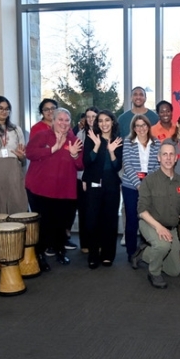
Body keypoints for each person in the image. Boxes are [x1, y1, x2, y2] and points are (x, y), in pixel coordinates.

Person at [25, 108, 83, 268]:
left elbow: (80, 165)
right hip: (40, 189)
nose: (63, 123)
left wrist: (74, 155)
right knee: (43, 224)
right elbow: (29, 153)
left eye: (67, 120)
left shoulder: (74, 139)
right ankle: (40, 255)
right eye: (60, 119)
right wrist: (52, 149)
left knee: (61, 223)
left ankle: (59, 251)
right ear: (53, 120)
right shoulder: (42, 136)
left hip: (64, 190)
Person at [131, 142, 180, 289]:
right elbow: (141, 211)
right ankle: (154, 272)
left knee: (174, 271)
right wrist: (158, 228)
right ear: (158, 158)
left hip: (171, 228)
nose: (168, 158)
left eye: (171, 154)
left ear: (176, 158)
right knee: (163, 245)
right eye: (164, 154)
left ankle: (144, 253)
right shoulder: (149, 181)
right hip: (150, 223)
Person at [82, 110, 123, 269]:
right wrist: (98, 146)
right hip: (94, 184)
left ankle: (107, 255)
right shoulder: (92, 138)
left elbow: (116, 166)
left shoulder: (118, 140)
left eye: (107, 120)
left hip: (111, 184)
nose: (104, 124)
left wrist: (112, 151)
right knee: (92, 221)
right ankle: (93, 255)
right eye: (100, 121)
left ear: (112, 122)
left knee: (110, 221)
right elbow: (87, 162)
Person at [121, 114, 160, 261]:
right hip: (130, 186)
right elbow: (128, 165)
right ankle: (131, 252)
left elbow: (157, 165)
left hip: (150, 186)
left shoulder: (157, 143)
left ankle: (146, 250)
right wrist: (138, 185)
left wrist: (147, 184)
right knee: (132, 218)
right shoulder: (128, 142)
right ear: (134, 128)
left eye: (144, 125)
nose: (141, 128)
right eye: (138, 125)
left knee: (148, 218)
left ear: (148, 126)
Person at [75, 107, 98, 254]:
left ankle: (98, 242)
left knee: (97, 211)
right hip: (82, 178)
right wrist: (84, 178)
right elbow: (79, 158)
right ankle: (85, 243)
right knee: (84, 212)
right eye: (88, 116)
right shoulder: (80, 134)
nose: (90, 119)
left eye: (94, 116)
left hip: (97, 178)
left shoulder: (102, 133)